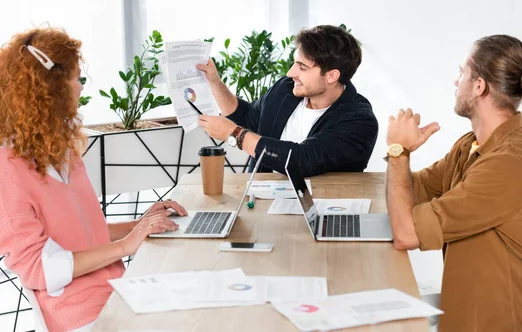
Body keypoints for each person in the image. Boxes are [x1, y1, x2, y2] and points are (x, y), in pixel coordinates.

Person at [0, 27, 187, 332]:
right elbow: (38, 269)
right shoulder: (6, 169)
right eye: (77, 79)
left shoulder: (62, 150)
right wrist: (126, 245)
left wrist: (138, 225)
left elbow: (78, 235)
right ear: (53, 87)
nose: (81, 89)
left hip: (116, 295)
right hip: (79, 316)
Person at [384, 35, 522, 331]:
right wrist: (400, 155)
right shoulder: (473, 144)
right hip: (476, 311)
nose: (456, 82)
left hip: (511, 320)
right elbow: (415, 190)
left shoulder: (510, 164)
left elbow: (406, 233)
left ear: (479, 85)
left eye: (461, 73)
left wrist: (398, 151)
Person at [196, 25, 378, 177]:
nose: (291, 73)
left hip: (323, 211)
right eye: (294, 63)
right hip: (263, 202)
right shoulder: (286, 89)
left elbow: (302, 161)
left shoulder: (359, 120)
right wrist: (215, 82)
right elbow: (248, 118)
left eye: (302, 67)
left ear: (332, 75)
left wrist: (236, 134)